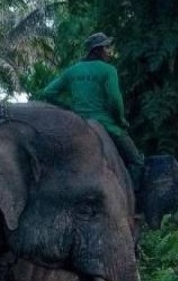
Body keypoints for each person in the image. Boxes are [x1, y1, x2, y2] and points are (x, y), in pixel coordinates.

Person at [38, 32, 144, 191]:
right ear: (97, 50)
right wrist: (120, 120)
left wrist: (69, 109)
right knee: (137, 161)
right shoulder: (108, 70)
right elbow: (115, 100)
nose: (109, 52)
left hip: (78, 123)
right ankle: (136, 203)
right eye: (106, 48)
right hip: (106, 125)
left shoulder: (72, 71)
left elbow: (47, 93)